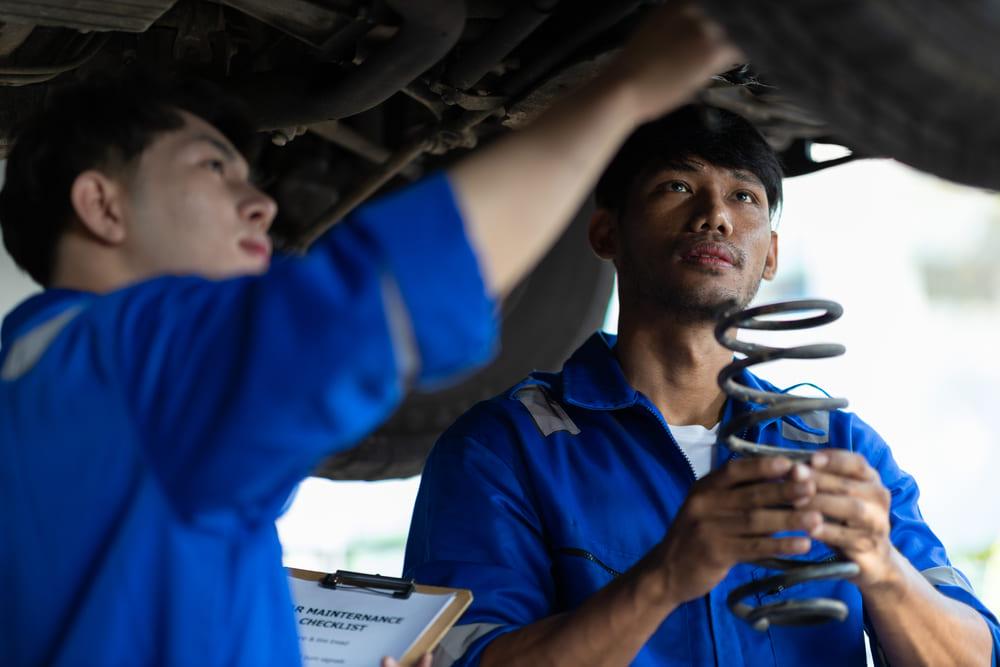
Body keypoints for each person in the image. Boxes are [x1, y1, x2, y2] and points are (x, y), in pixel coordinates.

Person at [0, 3, 741, 666]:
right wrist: (629, 88)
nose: (259, 204)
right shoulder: (116, 367)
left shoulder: (54, 390)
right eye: (212, 167)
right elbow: (373, 296)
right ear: (102, 205)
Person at [402, 104, 1000, 666]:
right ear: (605, 233)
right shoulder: (502, 448)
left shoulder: (841, 448)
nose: (716, 214)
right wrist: (664, 578)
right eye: (678, 187)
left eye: (744, 196)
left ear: (769, 254)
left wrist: (883, 567)